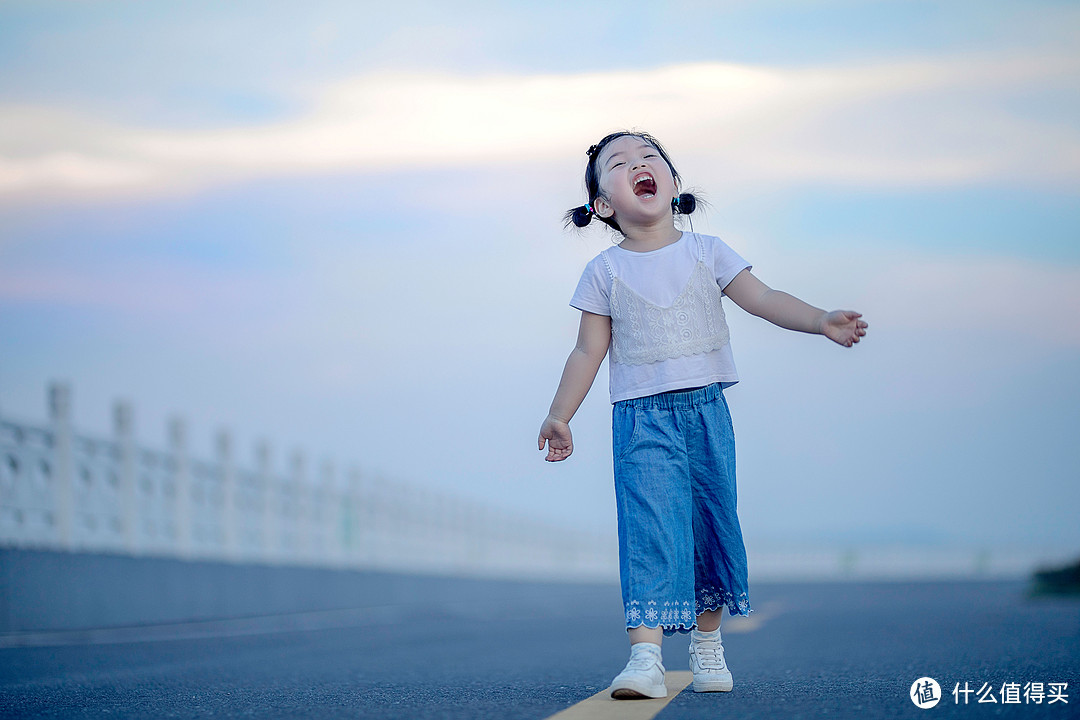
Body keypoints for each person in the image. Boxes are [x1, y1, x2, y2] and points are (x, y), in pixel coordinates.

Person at [537, 131, 867, 700]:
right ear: (604, 205)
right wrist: (560, 413)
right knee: (650, 529)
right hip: (641, 419)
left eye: (650, 158)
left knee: (712, 523)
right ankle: (645, 658)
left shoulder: (707, 251)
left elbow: (764, 298)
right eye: (619, 164)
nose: (639, 165)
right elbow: (588, 350)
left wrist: (820, 320)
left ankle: (708, 646)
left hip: (706, 412)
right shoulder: (604, 271)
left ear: (672, 184)